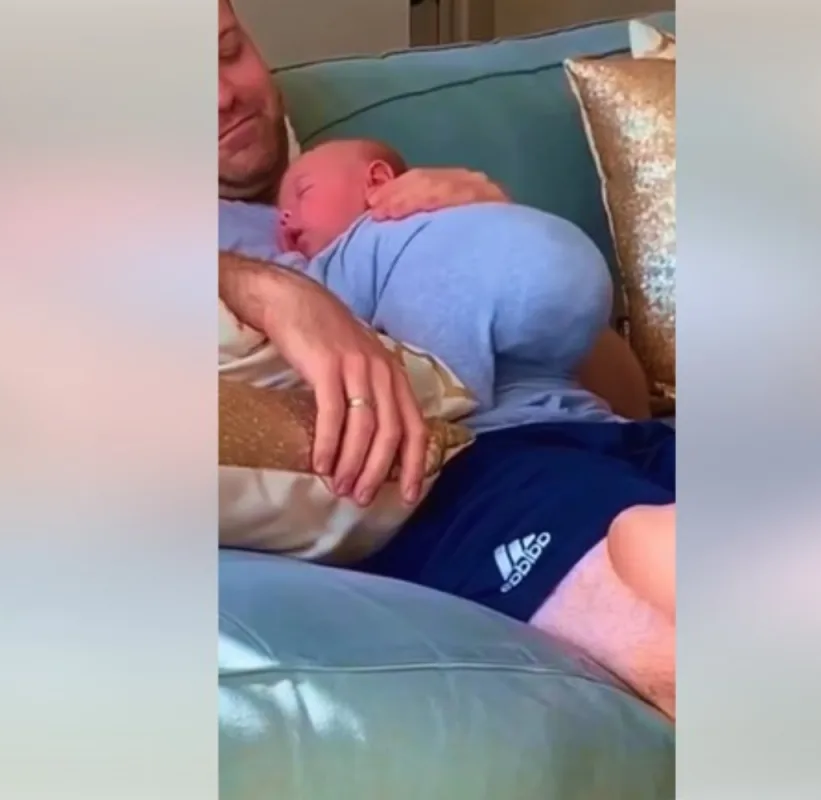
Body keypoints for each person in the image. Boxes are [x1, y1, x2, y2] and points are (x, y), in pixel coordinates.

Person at [219, 0, 675, 716]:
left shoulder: (373, 190)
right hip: (460, 473)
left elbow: (625, 396)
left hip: (598, 429)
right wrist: (266, 290)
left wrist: (497, 237)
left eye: (227, 51)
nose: (222, 95)